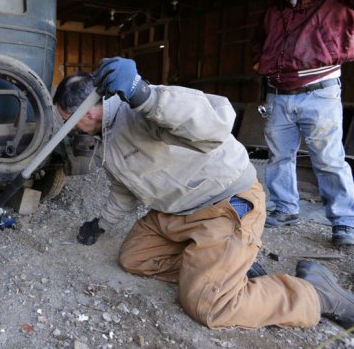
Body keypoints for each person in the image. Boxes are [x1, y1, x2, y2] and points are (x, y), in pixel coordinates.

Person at [53, 56, 354, 331]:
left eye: (68, 117)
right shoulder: (107, 136)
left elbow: (215, 123)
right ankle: (222, 268)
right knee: (134, 257)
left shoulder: (141, 110)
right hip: (175, 212)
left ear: (91, 111)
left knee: (209, 305)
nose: (67, 125)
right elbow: (124, 188)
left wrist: (143, 94)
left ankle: (317, 294)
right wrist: (101, 224)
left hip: (224, 204)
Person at [251, 0, 354, 246]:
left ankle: (344, 222)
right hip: (278, 94)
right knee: (279, 156)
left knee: (329, 158)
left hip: (319, 91)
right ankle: (284, 209)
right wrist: (260, 63)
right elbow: (259, 40)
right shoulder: (275, 9)